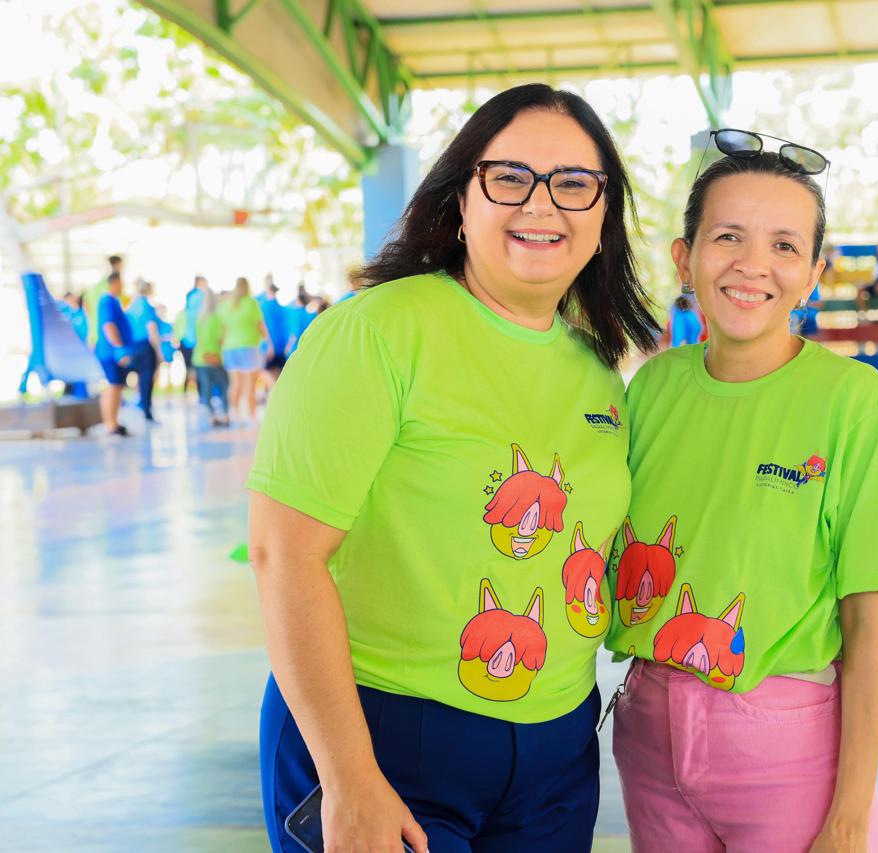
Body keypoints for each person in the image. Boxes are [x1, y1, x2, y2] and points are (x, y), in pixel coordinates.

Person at [247, 83, 659, 853]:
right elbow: (284, 554)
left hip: (555, 756)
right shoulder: (376, 333)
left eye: (574, 183)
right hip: (382, 736)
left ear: (605, 218)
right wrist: (349, 774)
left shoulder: (597, 370)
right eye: (510, 178)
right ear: (460, 200)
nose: (541, 204)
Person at [607, 145, 878, 853]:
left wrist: (849, 814)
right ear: (684, 260)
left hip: (786, 749)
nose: (753, 265)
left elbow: (868, 619)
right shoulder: (652, 389)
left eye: (784, 246)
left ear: (812, 276)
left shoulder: (854, 403)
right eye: (728, 237)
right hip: (649, 736)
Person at [219, 276, 271, 422]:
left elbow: (222, 330)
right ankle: (252, 416)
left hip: (229, 348)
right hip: (248, 347)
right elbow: (260, 326)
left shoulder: (226, 305)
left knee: (235, 383)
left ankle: (234, 414)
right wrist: (269, 343)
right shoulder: (251, 303)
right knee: (250, 383)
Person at [93, 271, 133, 436]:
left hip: (112, 352)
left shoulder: (113, 301)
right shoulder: (107, 301)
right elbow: (108, 326)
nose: (122, 286)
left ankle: (113, 422)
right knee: (113, 386)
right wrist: (119, 347)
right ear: (114, 283)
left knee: (117, 386)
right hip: (110, 353)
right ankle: (110, 424)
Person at [126, 279, 164, 422]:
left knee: (140, 376)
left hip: (133, 346)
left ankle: (140, 401)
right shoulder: (147, 307)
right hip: (146, 346)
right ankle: (146, 408)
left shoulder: (131, 307)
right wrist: (159, 351)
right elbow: (152, 329)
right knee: (147, 378)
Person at [192, 289, 230, 427]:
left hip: (200, 358)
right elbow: (221, 338)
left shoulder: (199, 319)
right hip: (214, 357)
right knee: (225, 385)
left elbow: (197, 338)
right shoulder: (218, 318)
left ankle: (212, 416)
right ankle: (225, 414)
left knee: (206, 389)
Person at [177, 275, 210, 394]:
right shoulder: (200, 296)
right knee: (199, 368)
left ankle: (188, 393)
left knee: (190, 369)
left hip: (186, 339)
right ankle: (202, 395)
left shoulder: (190, 299)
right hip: (196, 339)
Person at [84, 255, 124, 349]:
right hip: (108, 339)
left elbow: (86, 307)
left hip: (94, 335)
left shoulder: (93, 288)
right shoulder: (111, 289)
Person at [257, 275, 290, 385]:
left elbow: (266, 327)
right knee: (277, 373)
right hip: (280, 345)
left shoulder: (265, 306)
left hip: (271, 345)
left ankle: (273, 390)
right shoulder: (281, 307)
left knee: (265, 372)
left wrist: (269, 345)